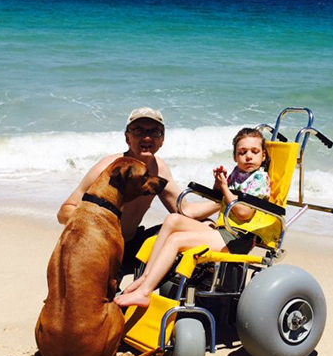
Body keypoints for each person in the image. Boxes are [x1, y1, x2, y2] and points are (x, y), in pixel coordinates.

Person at [114, 127, 271, 308]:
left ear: (263, 156)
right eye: (242, 153)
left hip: (238, 237)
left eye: (254, 152)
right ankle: (146, 277)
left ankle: (144, 292)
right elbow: (220, 199)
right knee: (173, 219)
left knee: (176, 240)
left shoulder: (260, 179)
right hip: (224, 230)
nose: (248, 156)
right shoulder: (239, 172)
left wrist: (225, 188)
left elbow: (243, 213)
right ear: (235, 157)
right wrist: (218, 184)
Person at [57, 107, 218, 278]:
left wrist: (224, 200)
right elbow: (64, 211)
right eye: (139, 131)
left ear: (162, 140)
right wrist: (98, 224)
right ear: (127, 137)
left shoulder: (158, 169)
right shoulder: (110, 169)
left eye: (154, 132)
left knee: (201, 226)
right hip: (100, 249)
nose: (147, 137)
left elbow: (185, 210)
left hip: (133, 245)